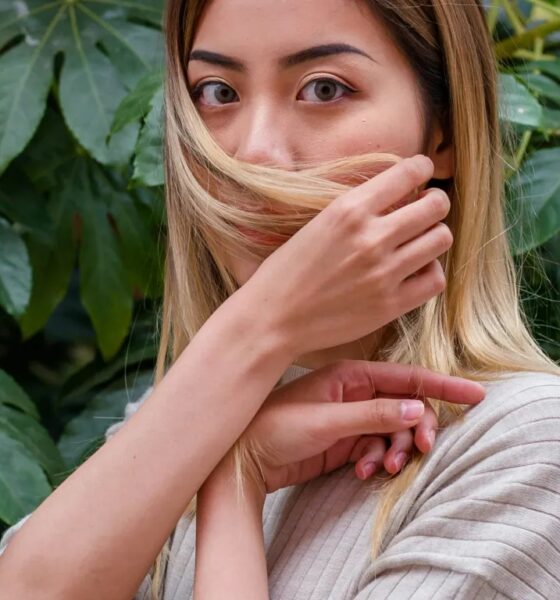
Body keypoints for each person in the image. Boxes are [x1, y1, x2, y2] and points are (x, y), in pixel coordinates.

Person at [1, 0, 560, 598]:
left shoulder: (525, 447)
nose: (255, 153)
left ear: (443, 127)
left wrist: (234, 452)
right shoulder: (196, 411)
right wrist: (237, 456)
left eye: (325, 88)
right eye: (217, 93)